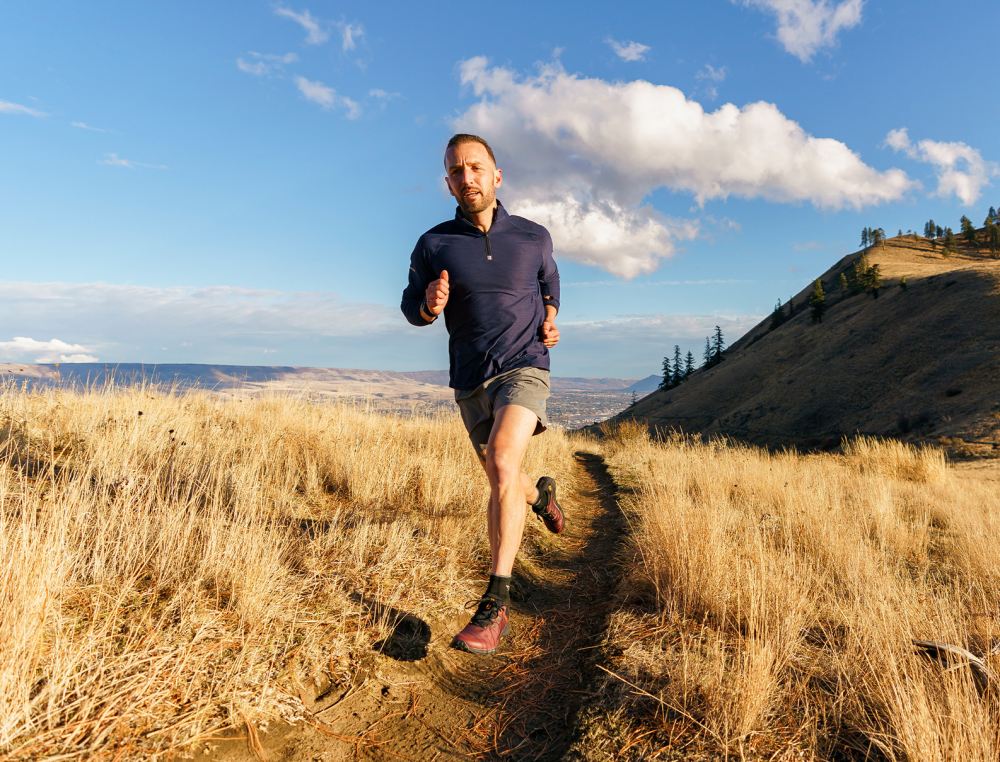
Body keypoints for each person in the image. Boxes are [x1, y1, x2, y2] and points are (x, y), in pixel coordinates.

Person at [401, 133, 565, 655]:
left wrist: (552, 317)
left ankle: (495, 606)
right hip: (470, 380)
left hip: (525, 368)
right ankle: (542, 497)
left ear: (497, 175)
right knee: (508, 478)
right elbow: (411, 309)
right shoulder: (434, 244)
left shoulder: (534, 236)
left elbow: (550, 283)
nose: (466, 177)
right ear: (447, 182)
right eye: (456, 171)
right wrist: (429, 303)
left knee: (499, 461)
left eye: (476, 167)